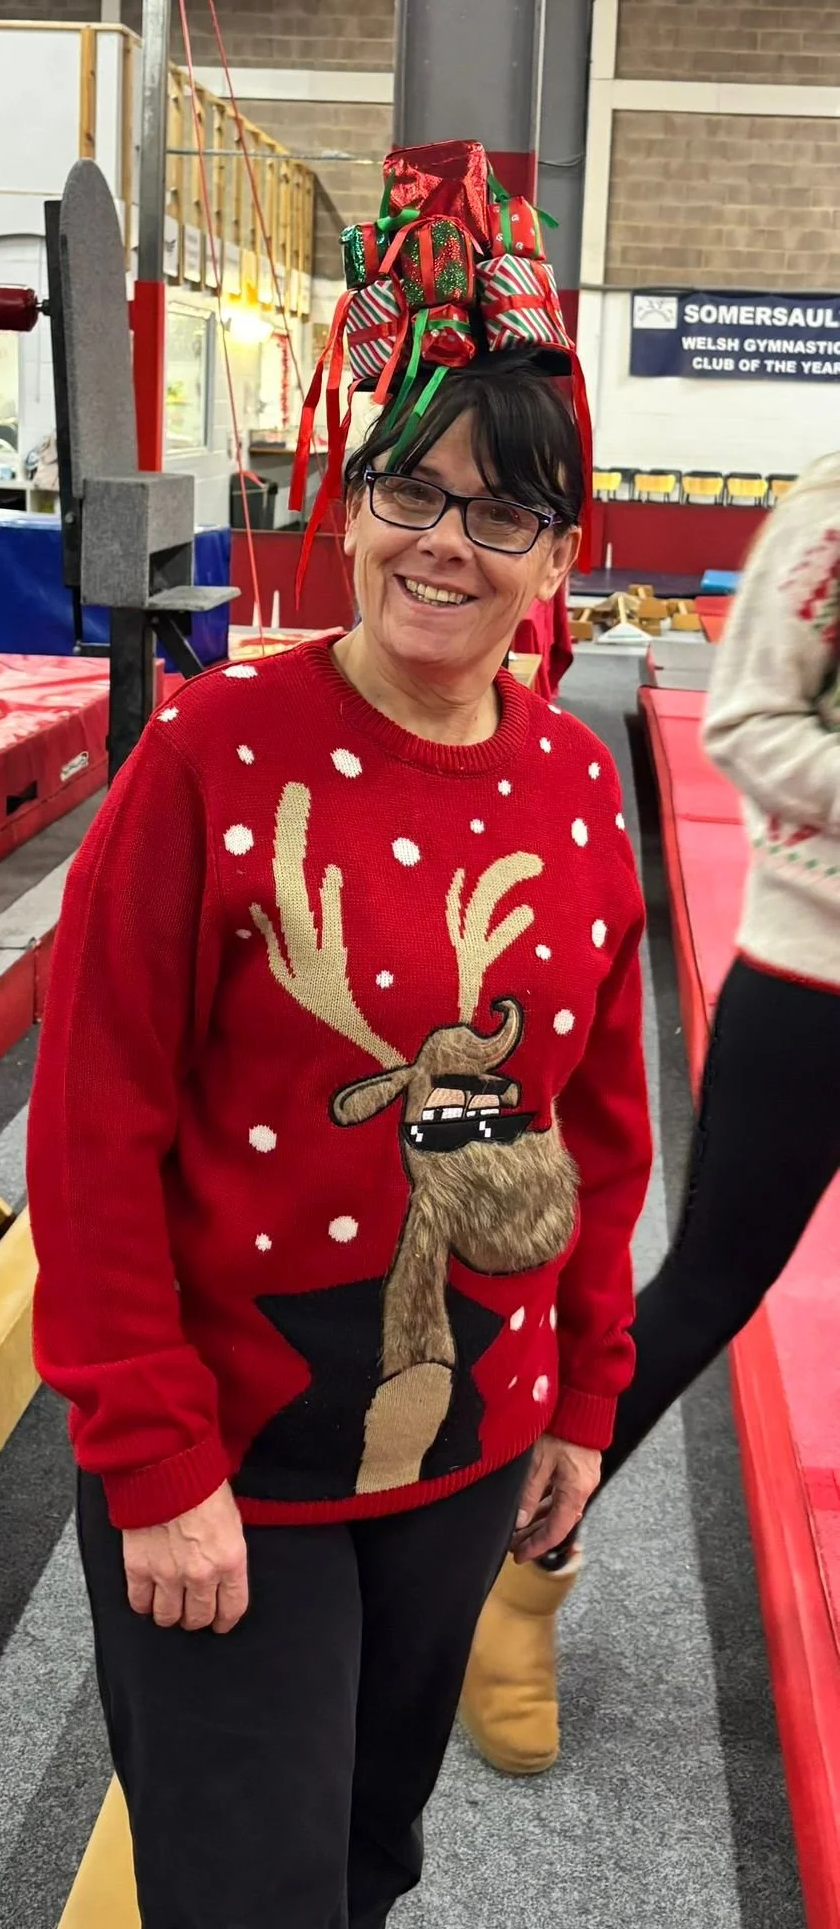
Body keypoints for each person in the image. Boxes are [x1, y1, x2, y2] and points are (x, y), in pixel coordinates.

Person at [27, 142, 652, 1929]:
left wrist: (582, 1396)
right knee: (250, 1890)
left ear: (557, 555)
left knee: (370, 1859)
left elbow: (597, 1132)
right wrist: (153, 1459)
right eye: (411, 491)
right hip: (228, 1453)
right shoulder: (209, 758)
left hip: (466, 1447)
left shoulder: (573, 784)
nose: (444, 542)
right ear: (355, 504)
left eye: (501, 514)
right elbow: (89, 1130)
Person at [463, 451, 840, 1778]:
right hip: (818, 977)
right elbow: (748, 724)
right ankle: (517, 1578)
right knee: (709, 1286)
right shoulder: (832, 516)